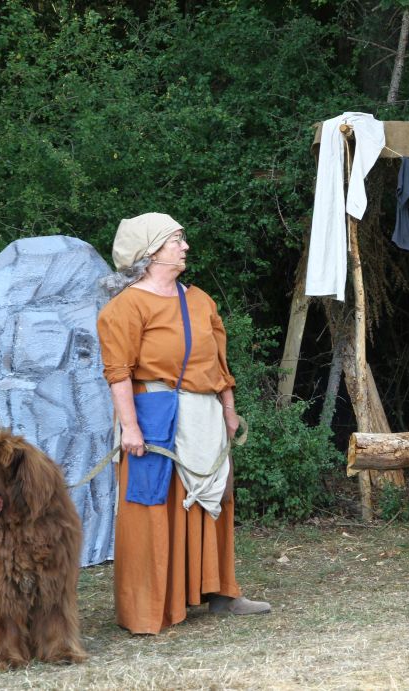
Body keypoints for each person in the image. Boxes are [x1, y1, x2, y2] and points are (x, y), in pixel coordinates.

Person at [96, 212, 270, 633]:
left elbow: (219, 362)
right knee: (153, 505)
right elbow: (118, 373)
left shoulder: (199, 300)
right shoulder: (126, 307)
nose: (185, 246)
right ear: (152, 252)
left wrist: (228, 409)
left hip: (204, 413)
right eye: (176, 240)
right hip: (153, 413)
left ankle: (220, 592)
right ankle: (149, 607)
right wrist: (130, 427)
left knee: (215, 495)